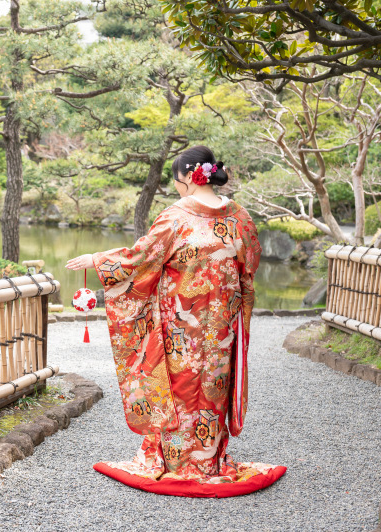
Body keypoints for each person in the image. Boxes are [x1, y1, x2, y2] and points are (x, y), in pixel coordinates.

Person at [66, 146, 285, 497]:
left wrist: (98, 259)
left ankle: (178, 464)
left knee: (182, 387)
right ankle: (208, 461)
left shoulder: (175, 217)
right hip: (223, 324)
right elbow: (250, 268)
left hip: (182, 326)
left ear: (187, 176)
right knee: (213, 386)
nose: (176, 186)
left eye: (176, 179)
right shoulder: (240, 217)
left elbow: (142, 257)